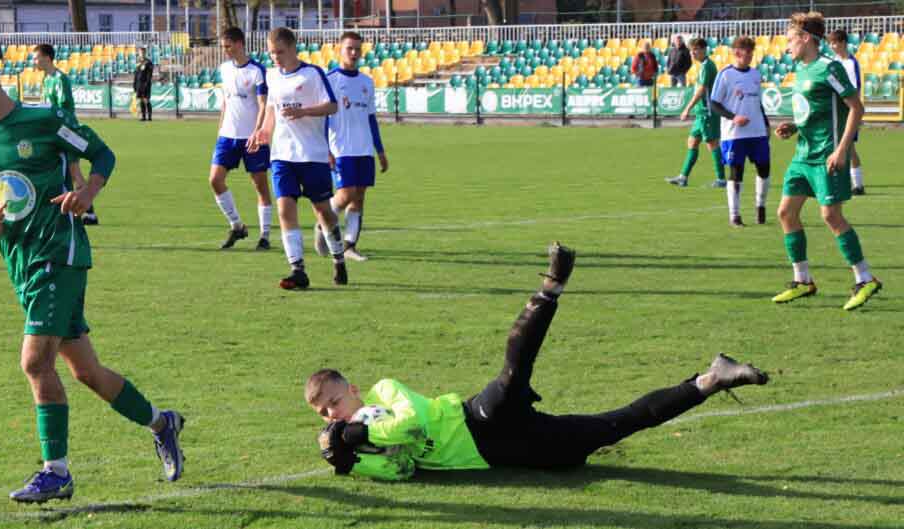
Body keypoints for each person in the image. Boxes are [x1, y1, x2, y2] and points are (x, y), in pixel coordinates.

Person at [309, 242, 770, 481]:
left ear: (351, 388)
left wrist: (362, 432)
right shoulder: (356, 435)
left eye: (334, 402)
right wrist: (352, 462)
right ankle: (712, 378)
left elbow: (410, 425)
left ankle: (548, 289)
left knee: (512, 378)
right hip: (503, 454)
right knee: (610, 428)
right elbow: (403, 470)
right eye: (326, 413)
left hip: (475, 420)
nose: (333, 414)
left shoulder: (385, 391)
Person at [0, 50, 185, 503]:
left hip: (60, 255)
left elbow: (102, 154)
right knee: (87, 372)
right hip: (21, 262)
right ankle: (162, 422)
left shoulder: (46, 121)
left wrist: (87, 192)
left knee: (35, 363)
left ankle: (56, 472)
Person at [772, 12, 880, 311]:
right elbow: (814, 110)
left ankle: (865, 278)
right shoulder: (801, 70)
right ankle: (803, 280)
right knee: (785, 212)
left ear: (806, 38)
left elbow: (856, 108)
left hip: (826, 157)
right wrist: (793, 126)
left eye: (791, 39)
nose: (787, 46)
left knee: (831, 216)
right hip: (803, 155)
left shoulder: (828, 67)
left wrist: (842, 150)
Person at [248, 27, 347, 289]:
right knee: (284, 207)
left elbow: (332, 106)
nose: (275, 57)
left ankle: (338, 257)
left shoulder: (312, 74)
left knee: (323, 211)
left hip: (312, 153)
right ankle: (298, 269)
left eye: (280, 52)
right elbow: (271, 110)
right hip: (282, 155)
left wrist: (304, 111)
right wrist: (262, 132)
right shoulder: (271, 75)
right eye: (271, 53)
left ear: (293, 48)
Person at [319, 31, 389, 263]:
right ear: (340, 49)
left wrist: (380, 151)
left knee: (359, 198)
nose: (354, 53)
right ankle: (323, 222)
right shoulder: (330, 81)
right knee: (346, 194)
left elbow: (371, 119)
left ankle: (349, 246)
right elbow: (323, 119)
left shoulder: (367, 82)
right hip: (341, 149)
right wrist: (325, 149)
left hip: (364, 149)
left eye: (357, 49)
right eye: (349, 48)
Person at [211, 26, 273, 251]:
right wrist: (220, 129)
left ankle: (265, 235)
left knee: (260, 185)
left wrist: (258, 132)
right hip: (227, 136)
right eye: (223, 47)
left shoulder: (257, 70)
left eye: (227, 46)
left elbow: (263, 104)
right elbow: (226, 101)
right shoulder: (224, 69)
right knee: (215, 180)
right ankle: (237, 226)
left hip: (251, 137)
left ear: (239, 44)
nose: (225, 51)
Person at [34, 44, 99, 226]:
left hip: (66, 132)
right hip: (54, 133)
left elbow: (63, 109)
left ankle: (89, 213)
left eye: (36, 57)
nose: (34, 61)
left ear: (47, 58)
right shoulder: (46, 79)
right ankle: (66, 211)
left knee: (74, 172)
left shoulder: (60, 79)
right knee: (63, 172)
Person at [709, 36, 771, 227]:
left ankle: (760, 206)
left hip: (758, 131)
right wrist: (733, 117)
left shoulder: (755, 74)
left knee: (764, 168)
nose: (750, 56)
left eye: (752, 52)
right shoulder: (725, 74)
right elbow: (714, 104)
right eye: (747, 52)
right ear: (736, 53)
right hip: (735, 133)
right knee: (736, 172)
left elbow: (757, 102)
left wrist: (766, 123)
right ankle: (734, 215)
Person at [666, 38, 726, 189]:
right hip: (701, 113)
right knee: (692, 142)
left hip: (707, 111)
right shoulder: (703, 66)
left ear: (704, 49)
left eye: (695, 50)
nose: (692, 53)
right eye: (691, 50)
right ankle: (683, 177)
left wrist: (687, 108)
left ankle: (721, 179)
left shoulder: (707, 66)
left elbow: (701, 90)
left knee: (712, 144)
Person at [827, 29, 865, 196]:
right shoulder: (833, 62)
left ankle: (857, 184)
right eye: (830, 43)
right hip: (835, 110)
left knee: (848, 147)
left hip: (848, 110)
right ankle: (855, 184)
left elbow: (855, 89)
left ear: (843, 43)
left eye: (835, 42)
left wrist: (855, 112)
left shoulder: (851, 63)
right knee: (843, 146)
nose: (832, 46)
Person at [134, 46, 154, 122]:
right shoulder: (138, 62)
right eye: (139, 52)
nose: (141, 54)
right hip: (139, 85)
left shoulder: (148, 62)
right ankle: (143, 116)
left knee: (146, 100)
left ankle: (149, 117)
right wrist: (134, 85)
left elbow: (149, 75)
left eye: (142, 52)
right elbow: (136, 75)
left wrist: (146, 84)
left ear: (145, 53)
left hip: (146, 84)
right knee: (141, 101)